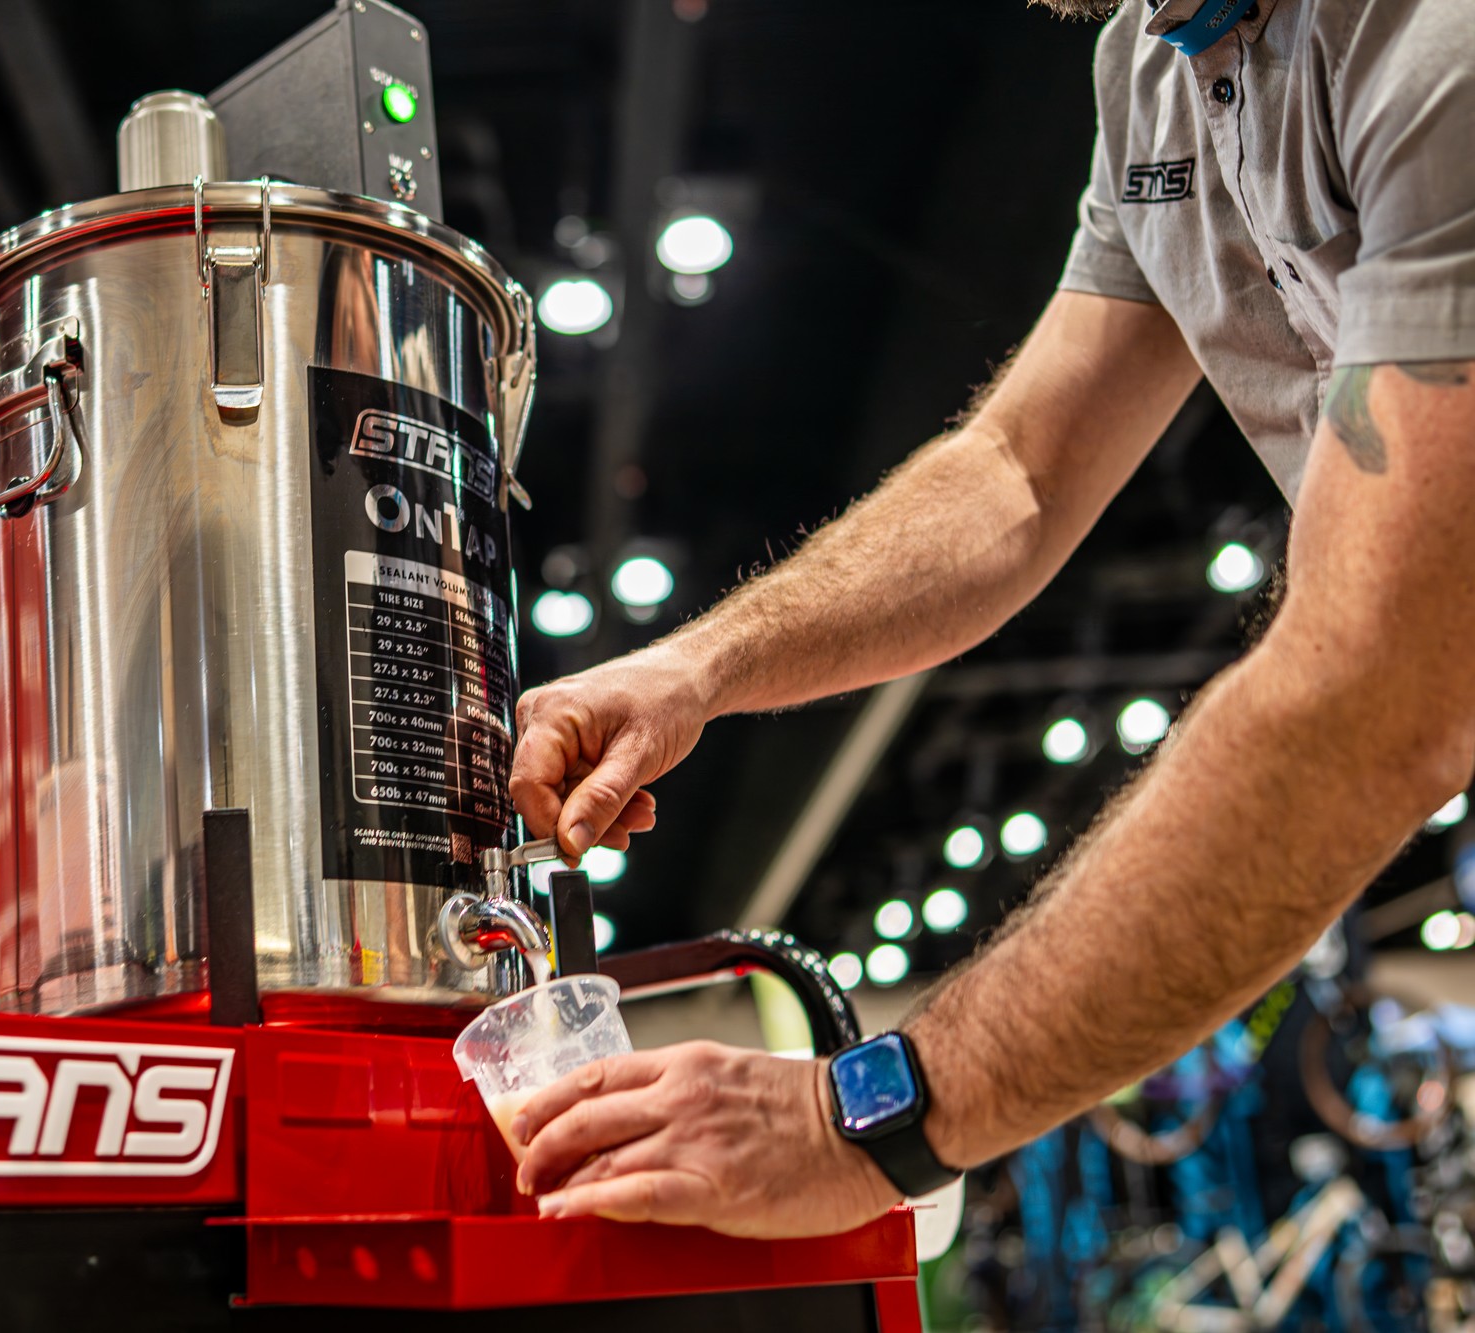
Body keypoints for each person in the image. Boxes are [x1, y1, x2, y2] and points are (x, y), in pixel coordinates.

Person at [506, 0, 1475, 1239]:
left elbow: (1368, 690)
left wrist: (860, 1122)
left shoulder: (1433, 38)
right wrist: (696, 665)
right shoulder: (1149, 64)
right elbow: (1019, 469)